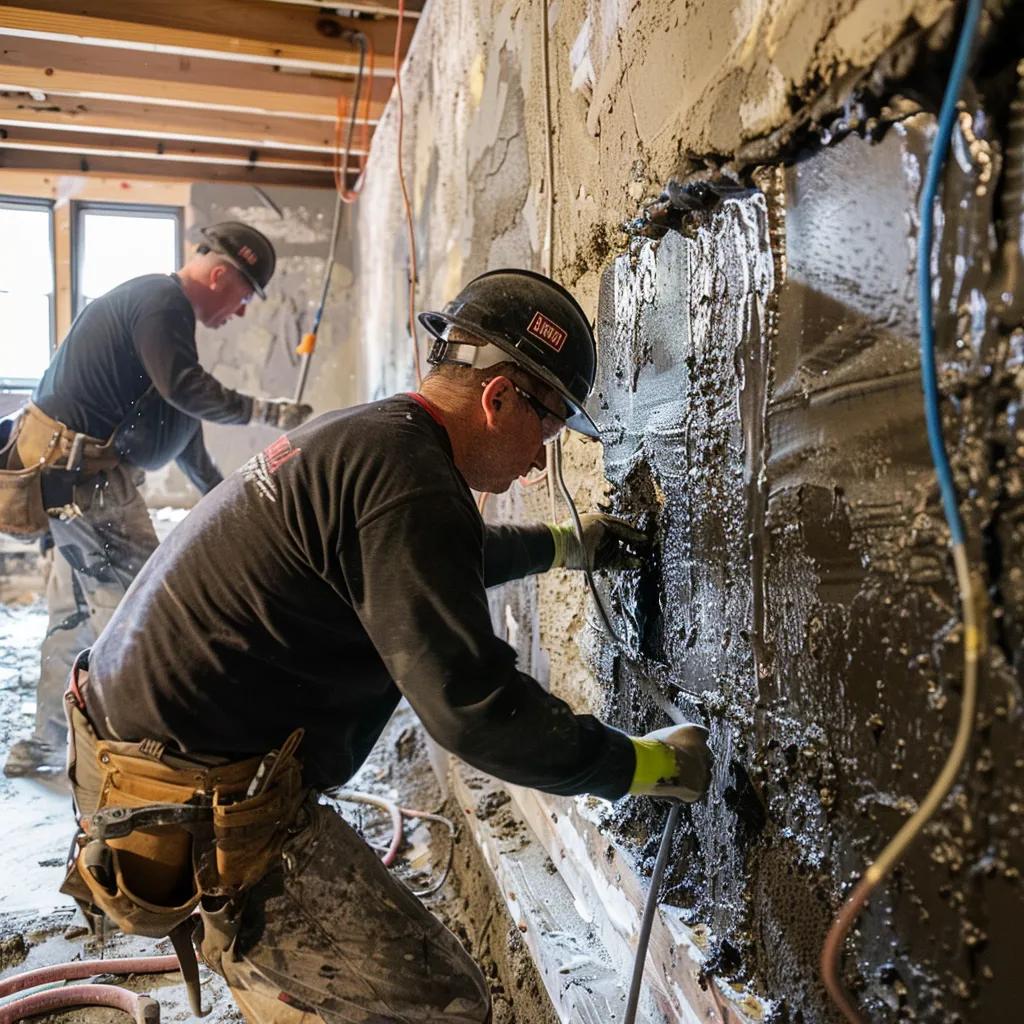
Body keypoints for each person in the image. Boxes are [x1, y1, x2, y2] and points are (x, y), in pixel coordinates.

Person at [61, 269, 711, 1024]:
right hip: (187, 802)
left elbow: (432, 556)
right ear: (500, 399)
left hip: (144, 749)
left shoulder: (379, 441)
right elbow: (474, 713)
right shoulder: (409, 480)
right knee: (440, 1008)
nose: (541, 460)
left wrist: (566, 545)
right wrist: (646, 765)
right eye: (550, 427)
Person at [3, 222, 312, 777]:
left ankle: (47, 742)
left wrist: (227, 500)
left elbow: (181, 424)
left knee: (74, 613)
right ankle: (153, 754)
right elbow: (186, 391)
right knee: (145, 615)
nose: (241, 311)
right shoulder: (161, 301)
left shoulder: (162, 321)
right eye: (245, 295)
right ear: (220, 274)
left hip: (76, 481)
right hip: (83, 484)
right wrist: (265, 412)